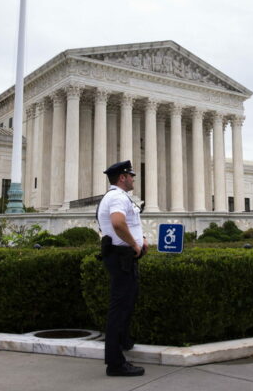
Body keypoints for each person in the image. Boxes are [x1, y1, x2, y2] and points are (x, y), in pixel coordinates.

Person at [97, 160, 148, 377]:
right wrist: (135, 244)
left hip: (122, 257)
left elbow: (129, 223)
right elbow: (118, 223)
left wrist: (141, 238)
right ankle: (115, 363)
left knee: (126, 303)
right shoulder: (117, 197)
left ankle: (124, 341)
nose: (134, 179)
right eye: (131, 176)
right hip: (121, 258)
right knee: (119, 308)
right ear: (122, 178)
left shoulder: (116, 196)